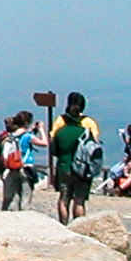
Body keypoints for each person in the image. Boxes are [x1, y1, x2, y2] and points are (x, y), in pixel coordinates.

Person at [52, 93, 98, 223]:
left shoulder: (60, 131)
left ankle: (63, 225)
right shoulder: (86, 130)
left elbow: (54, 151)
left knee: (64, 199)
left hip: (64, 167)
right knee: (79, 201)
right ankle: (78, 225)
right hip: (82, 170)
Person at [0, 112, 38, 211]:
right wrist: (41, 129)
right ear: (27, 123)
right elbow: (44, 143)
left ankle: (13, 216)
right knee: (25, 197)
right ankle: (24, 216)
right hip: (25, 167)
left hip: (11, 168)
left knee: (13, 198)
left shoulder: (8, 137)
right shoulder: (27, 136)